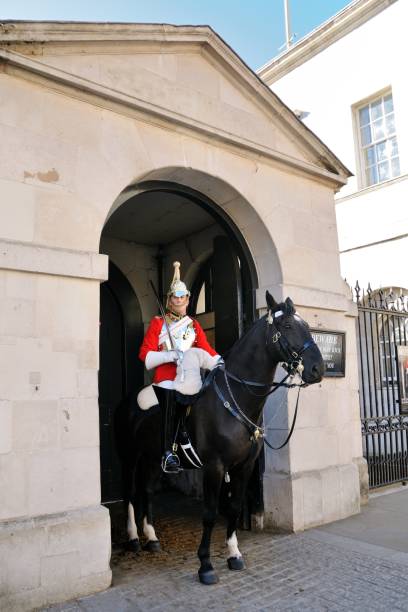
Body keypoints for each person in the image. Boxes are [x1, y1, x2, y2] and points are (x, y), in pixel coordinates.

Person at [139, 261, 220, 473]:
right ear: (170, 300)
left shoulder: (193, 325)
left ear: (188, 299)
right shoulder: (159, 323)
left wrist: (220, 362)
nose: (179, 300)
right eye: (175, 297)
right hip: (166, 377)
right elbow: (145, 355)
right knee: (168, 394)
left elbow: (205, 349)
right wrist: (168, 355)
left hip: (190, 378)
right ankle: (167, 453)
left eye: (183, 297)